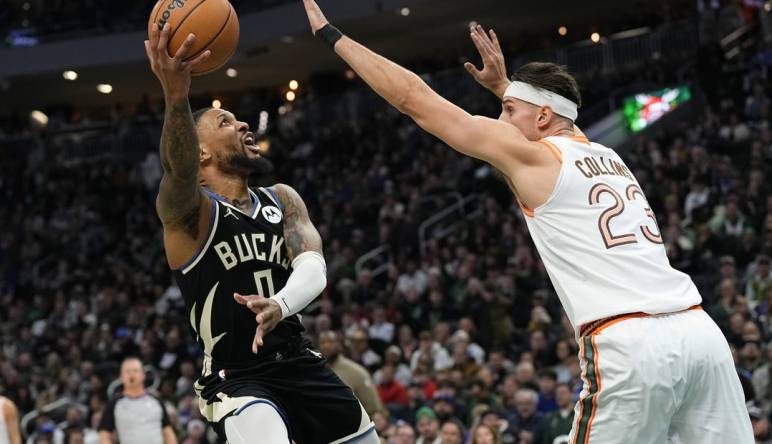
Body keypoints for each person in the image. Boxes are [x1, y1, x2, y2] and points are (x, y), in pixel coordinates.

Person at [299, 1, 754, 442]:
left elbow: (416, 100)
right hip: (700, 333)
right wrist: (506, 90)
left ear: (541, 116)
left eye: (507, 112)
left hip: (632, 341)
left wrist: (332, 37)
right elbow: (554, 123)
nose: (500, 120)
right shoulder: (608, 155)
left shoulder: (536, 159)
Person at [143, 21, 379, 444]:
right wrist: (176, 94)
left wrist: (280, 304)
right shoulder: (189, 213)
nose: (243, 124)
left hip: (299, 360)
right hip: (237, 376)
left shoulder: (283, 199)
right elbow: (178, 171)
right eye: (225, 121)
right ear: (200, 151)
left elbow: (314, 267)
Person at [98, 358, 176, 444]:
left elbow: (168, 431)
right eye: (127, 371)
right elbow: (104, 434)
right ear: (121, 376)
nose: (131, 374)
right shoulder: (114, 404)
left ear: (143, 375)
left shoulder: (156, 400)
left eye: (135, 370)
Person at [318, 331, 385, 416]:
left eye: (330, 342)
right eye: (322, 342)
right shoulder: (314, 370)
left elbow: (373, 407)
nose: (326, 346)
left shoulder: (356, 372)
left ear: (339, 344)